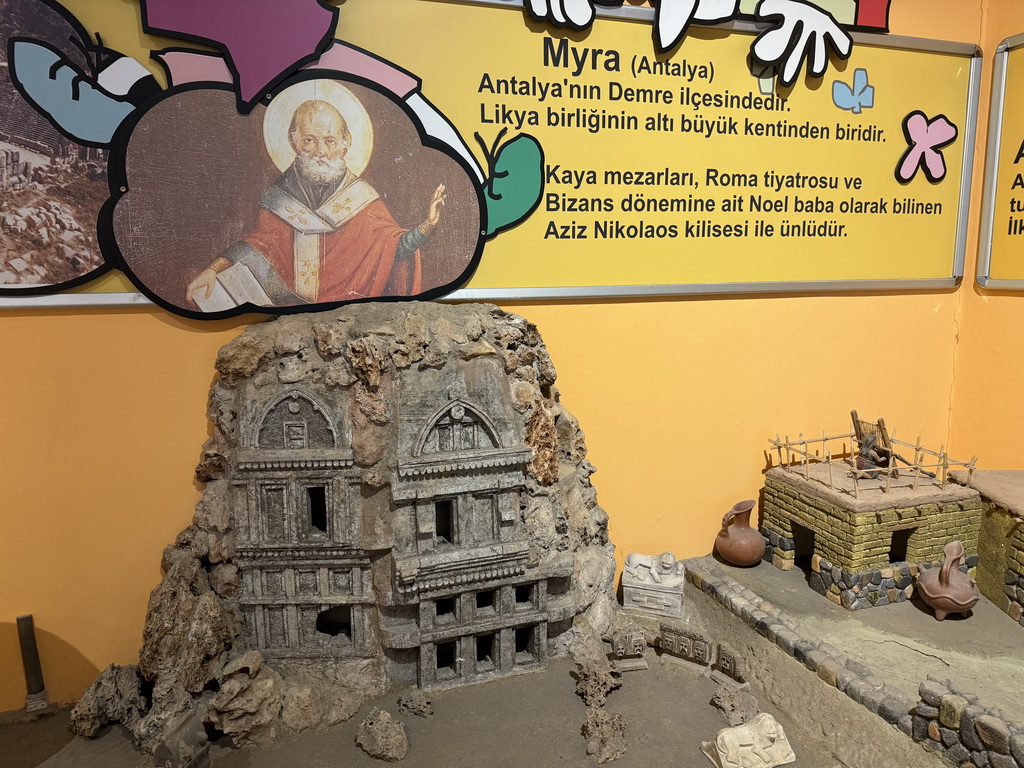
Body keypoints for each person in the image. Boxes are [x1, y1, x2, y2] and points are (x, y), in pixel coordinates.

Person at [187, 98, 446, 307]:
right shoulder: (278, 197)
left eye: (330, 141)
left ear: (346, 145)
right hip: (287, 313)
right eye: (309, 140)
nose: (320, 151)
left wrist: (425, 228)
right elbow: (260, 246)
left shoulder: (364, 199)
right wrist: (214, 269)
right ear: (294, 141)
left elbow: (390, 250)